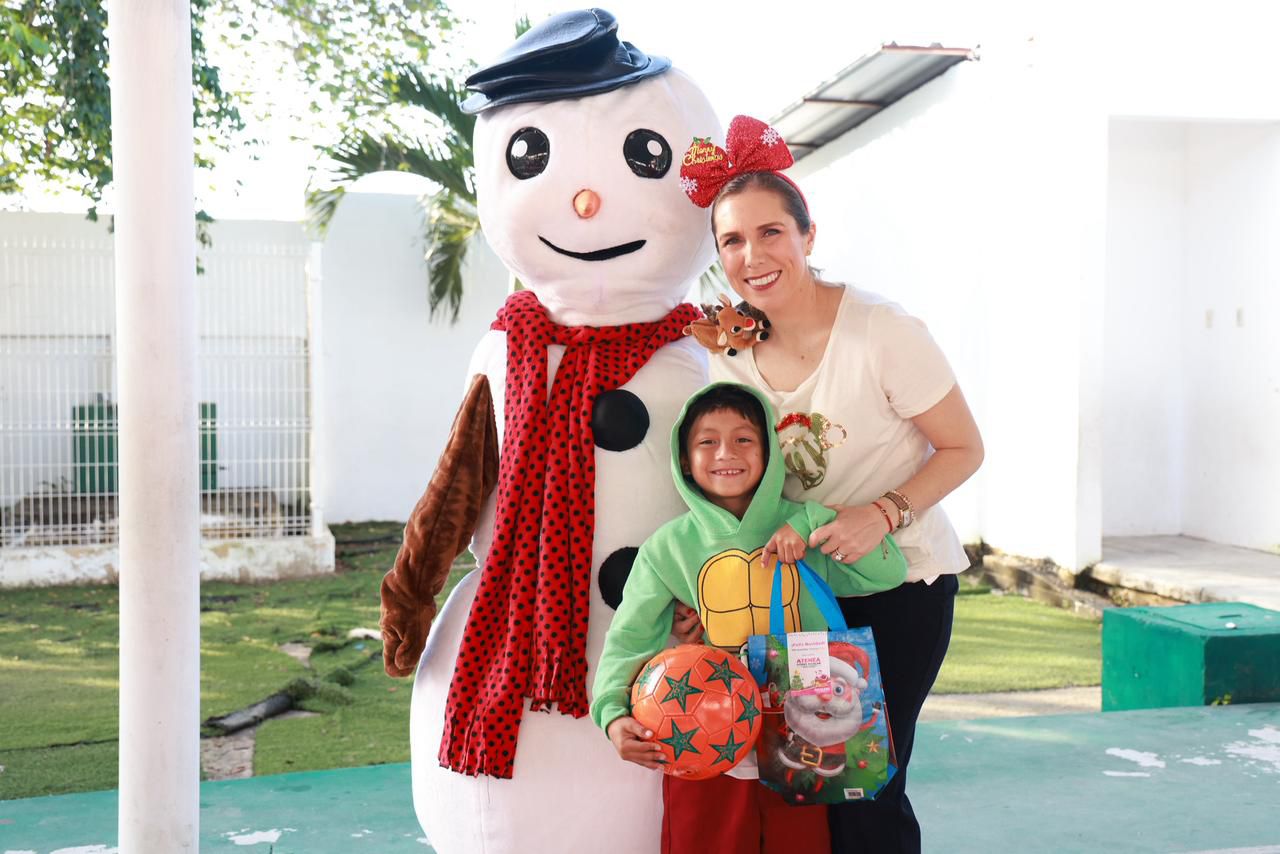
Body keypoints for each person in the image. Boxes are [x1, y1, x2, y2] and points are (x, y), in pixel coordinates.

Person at [678, 115, 985, 854]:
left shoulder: (882, 331)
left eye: (771, 233)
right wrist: (702, 589)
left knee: (866, 790)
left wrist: (882, 511)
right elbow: (730, 484)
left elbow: (964, 448)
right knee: (813, 786)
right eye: (732, 241)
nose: (753, 255)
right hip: (797, 594)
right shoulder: (729, 352)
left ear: (808, 236)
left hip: (899, 585)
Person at [590, 381, 907, 854]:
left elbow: (886, 571)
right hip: (702, 736)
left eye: (743, 439)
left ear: (769, 454)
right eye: (707, 441)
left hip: (803, 738)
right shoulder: (668, 547)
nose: (726, 452)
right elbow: (631, 635)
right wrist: (612, 715)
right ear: (684, 460)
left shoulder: (802, 526)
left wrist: (811, 522)